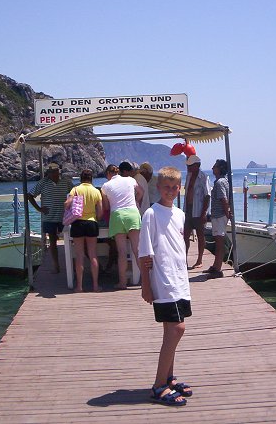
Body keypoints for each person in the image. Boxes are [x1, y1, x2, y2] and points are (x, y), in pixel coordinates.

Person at [139, 167, 192, 407]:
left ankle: (169, 378)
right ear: (158, 188)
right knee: (177, 329)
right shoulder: (151, 214)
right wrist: (146, 284)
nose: (170, 191)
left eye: (174, 187)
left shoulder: (179, 214)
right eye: (166, 187)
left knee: (170, 329)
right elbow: (144, 252)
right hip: (163, 280)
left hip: (180, 280)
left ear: (179, 188)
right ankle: (159, 385)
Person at [101, 161, 144, 289]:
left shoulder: (105, 186)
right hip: (132, 213)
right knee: (137, 250)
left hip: (117, 215)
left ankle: (122, 282)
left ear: (108, 174)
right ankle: (146, 280)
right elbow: (141, 192)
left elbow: (106, 206)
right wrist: (135, 201)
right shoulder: (130, 180)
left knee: (122, 252)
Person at [26, 162, 73, 274]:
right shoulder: (43, 182)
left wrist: (71, 206)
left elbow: (75, 193)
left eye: (53, 172)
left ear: (58, 172)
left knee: (70, 239)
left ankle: (72, 264)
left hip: (64, 216)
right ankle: (56, 266)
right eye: (50, 172)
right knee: (52, 241)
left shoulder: (66, 182)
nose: (51, 174)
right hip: (49, 217)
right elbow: (30, 195)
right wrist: (39, 209)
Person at [66, 169, 103, 292]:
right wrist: (96, 217)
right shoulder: (96, 191)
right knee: (93, 255)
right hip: (92, 223)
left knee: (79, 256)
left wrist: (67, 205)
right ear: (91, 178)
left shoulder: (76, 189)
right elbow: (100, 212)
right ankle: (96, 286)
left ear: (81, 178)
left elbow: (67, 203)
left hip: (78, 223)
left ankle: (79, 286)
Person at [204, 159, 231, 278]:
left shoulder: (220, 182)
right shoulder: (223, 181)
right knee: (218, 241)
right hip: (218, 215)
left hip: (219, 216)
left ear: (220, 169)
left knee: (219, 243)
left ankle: (218, 269)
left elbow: (223, 199)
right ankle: (215, 266)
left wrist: (227, 214)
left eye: (214, 166)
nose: (212, 168)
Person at [183, 155, 210, 267]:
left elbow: (207, 195)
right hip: (188, 209)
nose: (188, 168)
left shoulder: (204, 177)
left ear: (197, 165)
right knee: (185, 235)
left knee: (200, 235)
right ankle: (184, 259)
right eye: (188, 166)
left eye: (190, 166)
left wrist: (204, 213)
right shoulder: (188, 176)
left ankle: (200, 260)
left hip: (199, 210)